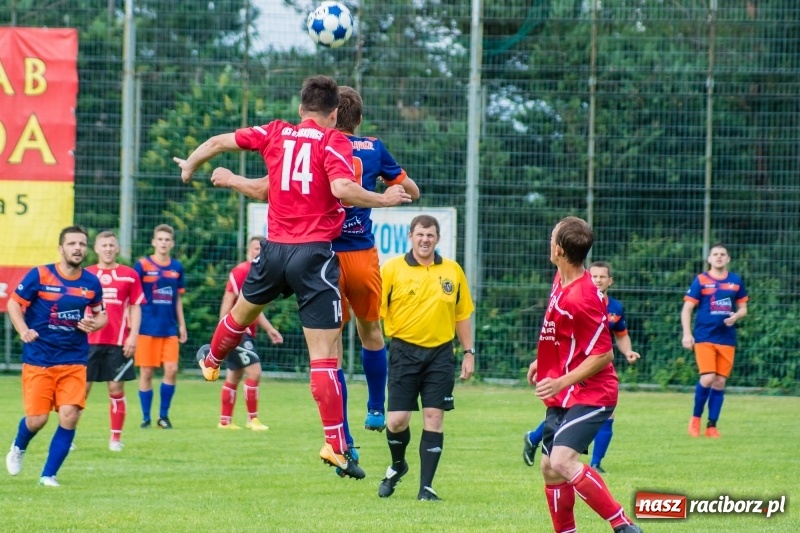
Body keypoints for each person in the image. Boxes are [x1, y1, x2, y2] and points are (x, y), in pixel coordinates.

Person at [173, 74, 412, 479]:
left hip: (273, 251)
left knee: (241, 315)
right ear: (334, 114)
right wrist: (384, 198)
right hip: (314, 255)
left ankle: (211, 360)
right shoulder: (333, 141)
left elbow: (217, 143)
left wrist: (191, 166)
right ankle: (337, 445)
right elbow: (342, 187)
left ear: (301, 109)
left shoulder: (275, 133)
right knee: (323, 356)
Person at [527, 216, 640, 533]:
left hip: (593, 392)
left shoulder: (583, 296)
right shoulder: (560, 278)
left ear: (559, 249)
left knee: (562, 460)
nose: (549, 242)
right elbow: (561, 332)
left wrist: (560, 379)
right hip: (564, 391)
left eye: (552, 238)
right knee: (550, 468)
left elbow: (603, 355)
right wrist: (545, 361)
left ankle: (623, 525)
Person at [376, 215, 475, 501]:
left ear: (437, 238)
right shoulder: (392, 269)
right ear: (410, 236)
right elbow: (375, 314)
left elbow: (462, 314)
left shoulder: (452, 270)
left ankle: (426, 488)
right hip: (403, 351)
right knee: (396, 421)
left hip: (440, 354)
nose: (425, 240)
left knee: (434, 417)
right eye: (420, 234)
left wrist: (469, 352)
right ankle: (398, 465)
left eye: (430, 235)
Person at [5, 225, 107, 487]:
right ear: (61, 248)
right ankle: (19, 445)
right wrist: (23, 329)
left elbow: (101, 314)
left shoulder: (91, 282)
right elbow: (13, 304)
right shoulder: (41, 275)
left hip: (73, 360)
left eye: (82, 244)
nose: (78, 249)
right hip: (39, 359)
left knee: (70, 415)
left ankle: (48, 475)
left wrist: (95, 324)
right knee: (38, 419)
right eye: (72, 244)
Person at [523, 260, 641, 473]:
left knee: (604, 413)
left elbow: (621, 336)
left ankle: (595, 463)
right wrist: (544, 361)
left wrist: (628, 351)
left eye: (602, 277)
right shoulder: (579, 298)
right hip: (571, 368)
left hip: (596, 368)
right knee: (565, 412)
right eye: (594, 276)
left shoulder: (614, 308)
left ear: (610, 281)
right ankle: (534, 438)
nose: (597, 280)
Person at [214, 235, 284, 430]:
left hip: (244, 332)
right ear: (248, 251)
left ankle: (224, 421)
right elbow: (228, 300)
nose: (258, 253)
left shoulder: (260, 273)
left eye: (262, 250)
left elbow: (253, 309)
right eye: (255, 249)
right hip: (237, 332)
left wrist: (270, 329)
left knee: (234, 376)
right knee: (255, 371)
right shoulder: (242, 271)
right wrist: (224, 330)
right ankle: (252, 419)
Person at [85, 231, 146, 451]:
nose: (108, 249)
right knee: (80, 390)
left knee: (116, 388)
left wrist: (133, 335)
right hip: (88, 341)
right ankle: (69, 436)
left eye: (112, 245)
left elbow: (135, 305)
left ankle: (115, 439)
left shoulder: (129, 275)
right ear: (96, 249)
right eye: (104, 245)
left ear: (117, 248)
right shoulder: (86, 275)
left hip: (118, 342)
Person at [681, 242, 748, 438]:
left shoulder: (735, 281)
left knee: (719, 382)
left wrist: (737, 316)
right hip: (704, 337)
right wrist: (687, 334)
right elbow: (687, 309)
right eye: (715, 254)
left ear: (728, 259)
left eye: (722, 254)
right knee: (708, 378)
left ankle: (712, 426)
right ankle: (695, 419)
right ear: (709, 259)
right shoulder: (701, 280)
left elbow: (743, 308)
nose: (719, 257)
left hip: (727, 339)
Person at [134, 224, 187, 429]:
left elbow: (178, 299)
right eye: (160, 239)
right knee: (146, 373)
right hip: (147, 328)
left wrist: (182, 325)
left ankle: (163, 416)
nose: (164, 243)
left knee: (171, 369)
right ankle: (146, 417)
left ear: (172, 243)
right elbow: (135, 298)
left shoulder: (177, 267)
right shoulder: (143, 265)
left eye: (167, 240)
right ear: (153, 242)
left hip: (169, 329)